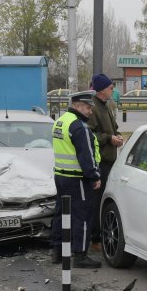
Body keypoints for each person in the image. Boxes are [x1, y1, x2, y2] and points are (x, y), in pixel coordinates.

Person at [50, 90, 103, 268]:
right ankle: (80, 255)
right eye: (88, 108)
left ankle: (57, 251)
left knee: (60, 214)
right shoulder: (79, 127)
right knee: (82, 215)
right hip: (77, 179)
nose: (90, 112)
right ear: (78, 105)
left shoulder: (60, 121)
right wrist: (94, 176)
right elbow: (86, 156)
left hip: (61, 176)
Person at [88, 73, 124, 251]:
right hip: (100, 162)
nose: (113, 90)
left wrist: (116, 136)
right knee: (97, 201)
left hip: (110, 161)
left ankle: (99, 235)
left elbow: (112, 128)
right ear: (102, 89)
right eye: (110, 87)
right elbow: (90, 134)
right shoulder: (93, 108)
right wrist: (109, 139)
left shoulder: (105, 106)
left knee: (104, 199)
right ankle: (95, 239)